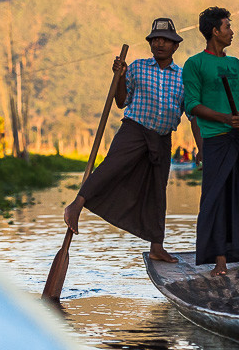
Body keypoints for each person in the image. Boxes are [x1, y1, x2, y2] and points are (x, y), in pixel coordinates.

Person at [63, 17, 199, 263]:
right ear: (150, 43)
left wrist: (202, 148)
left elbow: (192, 114)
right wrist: (119, 77)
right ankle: (76, 205)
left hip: (162, 138)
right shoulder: (137, 68)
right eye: (155, 39)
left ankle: (157, 245)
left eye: (165, 41)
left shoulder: (183, 77)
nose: (160, 44)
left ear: (175, 46)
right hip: (134, 130)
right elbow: (120, 101)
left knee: (158, 190)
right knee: (111, 168)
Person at [183, 6, 239, 276]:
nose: (232, 31)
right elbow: (193, 105)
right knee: (215, 198)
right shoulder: (194, 64)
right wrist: (222, 118)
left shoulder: (235, 65)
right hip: (215, 138)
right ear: (214, 31)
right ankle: (219, 259)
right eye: (227, 27)